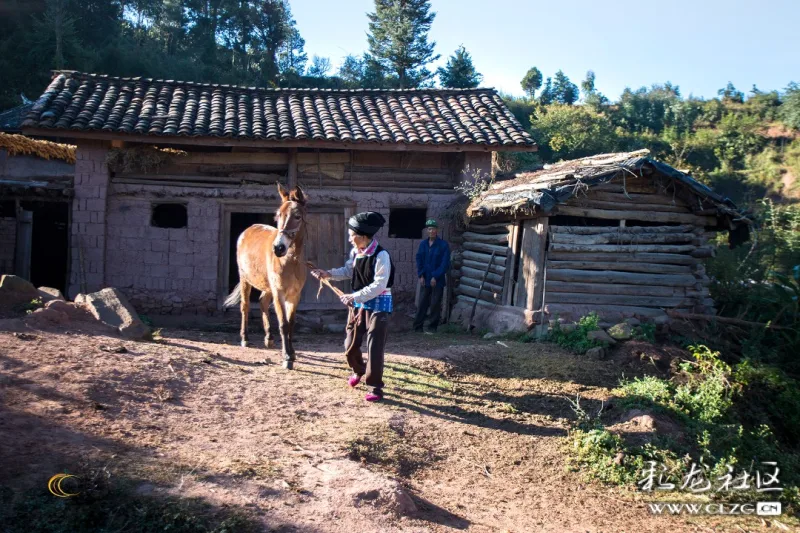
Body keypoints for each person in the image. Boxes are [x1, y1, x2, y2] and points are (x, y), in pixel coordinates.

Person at [311, 212, 394, 402]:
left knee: (374, 346)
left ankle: (375, 387)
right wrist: (328, 274)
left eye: (351, 234)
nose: (349, 238)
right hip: (359, 304)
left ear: (362, 235)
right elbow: (349, 271)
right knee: (350, 343)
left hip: (379, 305)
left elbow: (380, 284)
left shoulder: (381, 255)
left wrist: (354, 295)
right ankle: (358, 369)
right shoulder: (356, 253)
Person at [414, 218, 450, 333]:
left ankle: (432, 327)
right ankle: (417, 326)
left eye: (433, 229)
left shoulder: (443, 245)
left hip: (437, 280)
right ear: (427, 231)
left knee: (435, 303)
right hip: (425, 278)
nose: (431, 231)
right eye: (429, 229)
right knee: (422, 303)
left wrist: (436, 276)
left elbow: (445, 263)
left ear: (437, 231)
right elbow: (419, 259)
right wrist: (421, 275)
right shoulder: (423, 244)